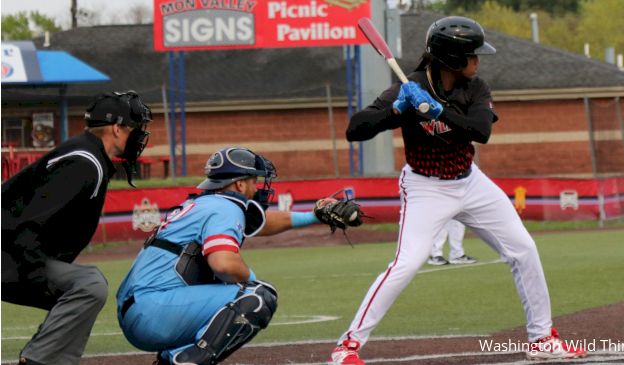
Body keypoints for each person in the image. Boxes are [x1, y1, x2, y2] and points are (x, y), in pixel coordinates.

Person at [328, 16, 586, 365]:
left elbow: (481, 131)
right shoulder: (409, 87)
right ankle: (347, 346)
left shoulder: (475, 87)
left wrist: (439, 111)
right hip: (425, 186)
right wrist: (396, 110)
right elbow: (354, 130)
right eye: (472, 55)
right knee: (407, 264)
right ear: (452, 58)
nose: (477, 61)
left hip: (470, 181)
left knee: (524, 250)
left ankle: (541, 338)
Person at [116, 147, 354, 365]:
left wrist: (314, 216)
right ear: (240, 185)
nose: (258, 187)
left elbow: (262, 222)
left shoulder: (209, 203)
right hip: (154, 311)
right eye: (254, 180)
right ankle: (188, 361)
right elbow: (224, 264)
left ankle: (173, 360)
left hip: (142, 309)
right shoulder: (226, 208)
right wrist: (250, 280)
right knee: (258, 297)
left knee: (237, 295)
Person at [1, 91, 153, 365]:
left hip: (12, 253)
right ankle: (40, 360)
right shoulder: (84, 163)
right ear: (117, 129)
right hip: (10, 253)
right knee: (88, 285)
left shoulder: (87, 155)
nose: (140, 136)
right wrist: (36, 274)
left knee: (86, 285)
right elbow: (28, 222)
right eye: (136, 128)